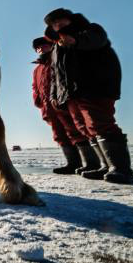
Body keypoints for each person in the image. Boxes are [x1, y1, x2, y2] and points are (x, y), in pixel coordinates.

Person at [45, 8, 133, 184]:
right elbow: (56, 74)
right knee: (84, 128)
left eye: (61, 20)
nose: (58, 25)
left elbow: (95, 41)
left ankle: (122, 169)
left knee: (100, 123)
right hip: (71, 94)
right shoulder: (56, 46)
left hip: (94, 87)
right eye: (54, 23)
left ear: (70, 19)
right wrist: (55, 94)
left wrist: (75, 40)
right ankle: (104, 165)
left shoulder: (91, 30)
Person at [31, 36, 93, 174]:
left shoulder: (57, 58)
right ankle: (72, 163)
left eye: (43, 45)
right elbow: (35, 87)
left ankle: (91, 163)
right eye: (37, 48)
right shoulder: (37, 69)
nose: (40, 49)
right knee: (59, 134)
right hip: (47, 107)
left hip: (63, 102)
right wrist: (37, 100)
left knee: (75, 131)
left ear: (51, 45)